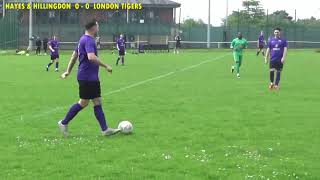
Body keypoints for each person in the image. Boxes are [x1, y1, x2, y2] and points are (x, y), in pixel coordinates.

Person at [59, 19, 120, 137]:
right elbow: (91, 57)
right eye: (97, 26)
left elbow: (73, 57)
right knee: (84, 102)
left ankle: (105, 129)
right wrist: (106, 66)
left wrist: (68, 71)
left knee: (96, 101)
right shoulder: (89, 40)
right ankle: (63, 122)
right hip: (88, 77)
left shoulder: (82, 39)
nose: (98, 27)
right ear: (93, 28)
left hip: (87, 77)